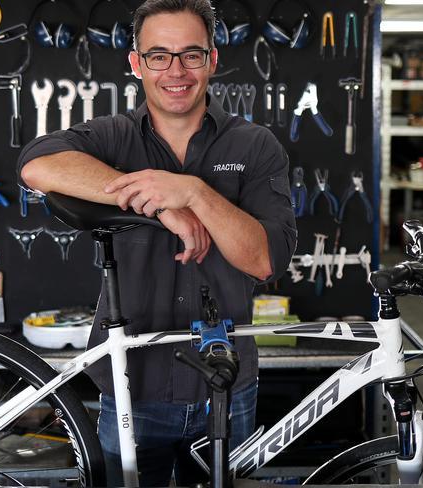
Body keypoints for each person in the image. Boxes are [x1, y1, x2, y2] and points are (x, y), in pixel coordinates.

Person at [18, 0, 296, 484]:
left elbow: (264, 260)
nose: (176, 71)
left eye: (191, 54)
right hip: (132, 384)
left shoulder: (255, 146)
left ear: (212, 59)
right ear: (136, 64)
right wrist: (164, 207)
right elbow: (37, 165)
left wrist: (194, 191)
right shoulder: (112, 138)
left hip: (225, 387)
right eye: (159, 55)